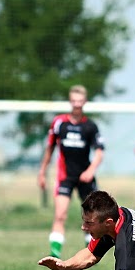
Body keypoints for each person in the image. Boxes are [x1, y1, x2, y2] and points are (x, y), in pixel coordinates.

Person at [37, 85, 105, 258]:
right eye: (74, 101)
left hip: (85, 177)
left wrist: (90, 171)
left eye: (80, 101)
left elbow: (99, 152)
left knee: (91, 216)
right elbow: (49, 149)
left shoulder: (90, 126)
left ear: (85, 102)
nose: (77, 104)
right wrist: (42, 172)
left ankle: (90, 249)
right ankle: (55, 253)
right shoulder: (59, 123)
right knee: (60, 214)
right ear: (70, 101)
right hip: (65, 176)